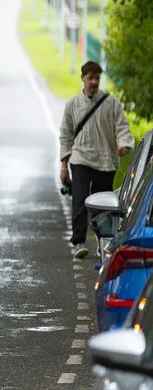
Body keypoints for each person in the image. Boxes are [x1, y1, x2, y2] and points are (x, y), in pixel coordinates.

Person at [60, 61, 134, 259]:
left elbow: (122, 127)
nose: (93, 82)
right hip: (81, 158)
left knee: (104, 207)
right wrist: (64, 165)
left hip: (105, 161)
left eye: (97, 78)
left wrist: (124, 144)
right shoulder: (72, 105)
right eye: (90, 78)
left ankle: (103, 242)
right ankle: (78, 242)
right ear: (82, 78)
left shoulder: (111, 103)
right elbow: (65, 136)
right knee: (80, 201)